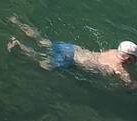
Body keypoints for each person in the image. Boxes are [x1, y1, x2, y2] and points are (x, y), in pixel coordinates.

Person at [8, 19, 137, 84]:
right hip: (69, 59)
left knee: (43, 42)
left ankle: (18, 23)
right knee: (43, 62)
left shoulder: (113, 51)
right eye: (134, 58)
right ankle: (19, 46)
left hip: (71, 48)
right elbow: (129, 83)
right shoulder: (118, 67)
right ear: (127, 57)